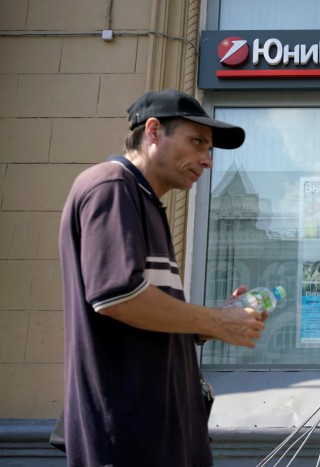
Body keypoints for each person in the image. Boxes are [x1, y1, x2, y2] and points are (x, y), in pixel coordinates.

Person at [58, 89, 267, 467]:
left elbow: (144, 316)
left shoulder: (146, 201)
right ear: (153, 131)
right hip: (127, 440)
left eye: (210, 149)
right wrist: (217, 321)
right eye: (198, 143)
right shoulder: (111, 185)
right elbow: (117, 298)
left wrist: (209, 326)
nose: (207, 161)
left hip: (161, 436)